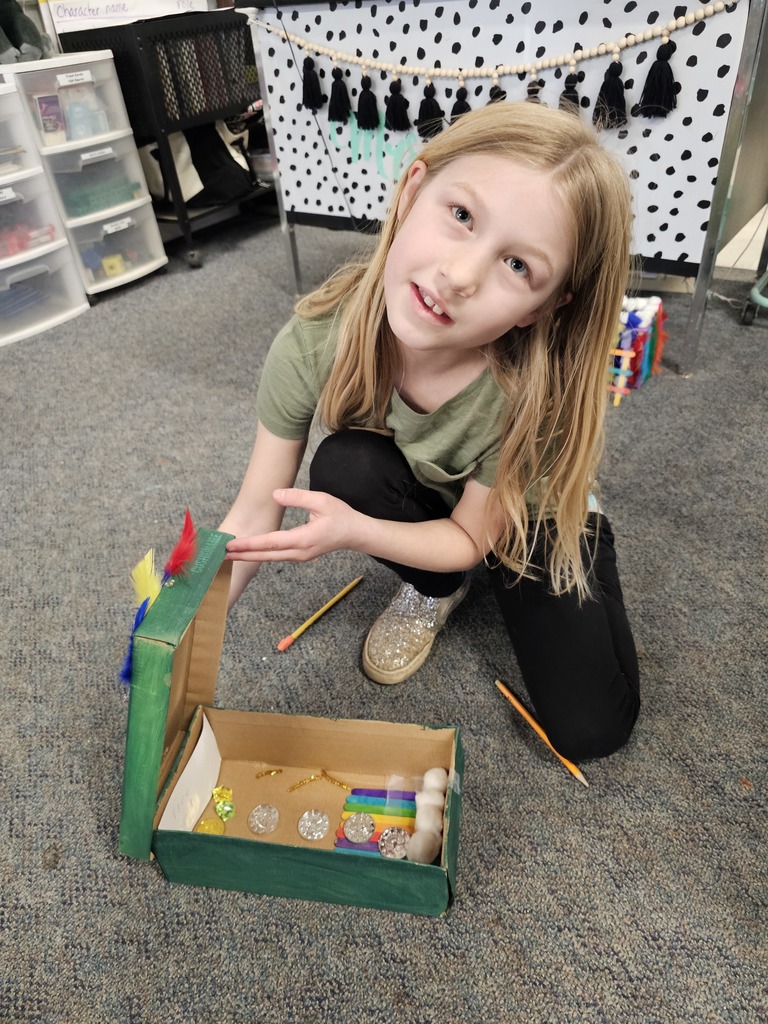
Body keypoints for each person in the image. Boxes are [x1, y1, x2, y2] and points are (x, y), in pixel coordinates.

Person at [221, 101, 640, 761]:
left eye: (518, 266)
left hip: (527, 514)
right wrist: (190, 622)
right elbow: (252, 510)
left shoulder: (531, 398)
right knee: (345, 466)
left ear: (543, 306)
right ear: (413, 189)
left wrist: (355, 533)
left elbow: (473, 538)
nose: (460, 277)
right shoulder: (315, 338)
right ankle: (437, 587)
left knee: (593, 728)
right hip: (437, 498)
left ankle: (575, 527)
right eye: (463, 215)